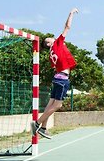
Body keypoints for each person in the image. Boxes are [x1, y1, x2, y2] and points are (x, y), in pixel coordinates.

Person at [31, 8, 79, 139]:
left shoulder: (51, 54)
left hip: (57, 78)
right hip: (62, 79)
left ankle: (44, 128)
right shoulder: (57, 44)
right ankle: (37, 123)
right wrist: (71, 13)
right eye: (49, 38)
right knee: (58, 105)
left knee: (50, 104)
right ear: (49, 43)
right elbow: (67, 27)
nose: (52, 37)